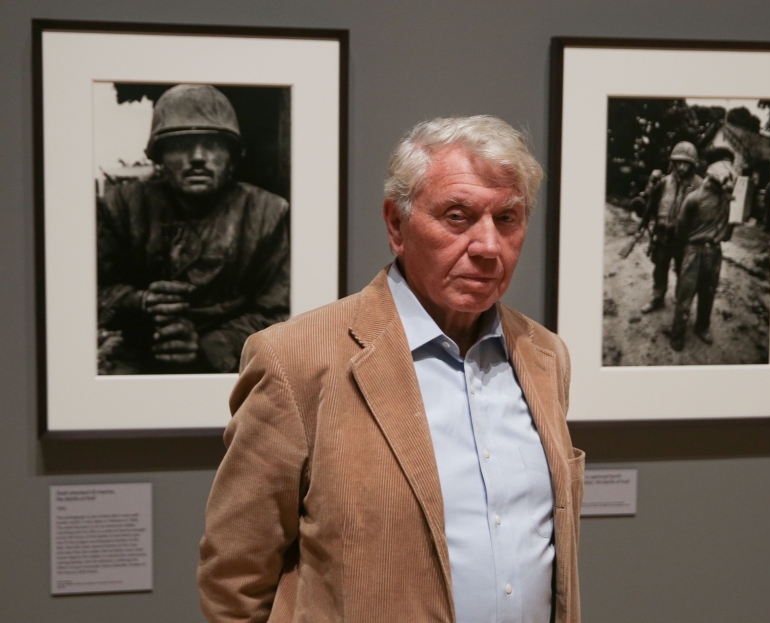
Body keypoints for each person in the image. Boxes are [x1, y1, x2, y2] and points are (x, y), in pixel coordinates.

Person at [198, 116, 585, 623]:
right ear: (396, 226)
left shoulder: (544, 356)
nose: (489, 246)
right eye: (457, 216)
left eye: (507, 219)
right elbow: (234, 577)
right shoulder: (296, 360)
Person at [97, 84, 290, 374]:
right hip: (140, 349)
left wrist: (207, 347)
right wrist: (140, 301)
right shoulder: (121, 207)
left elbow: (280, 312)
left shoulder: (268, 213)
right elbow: (90, 292)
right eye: (181, 144)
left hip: (237, 360)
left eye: (213, 144)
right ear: (158, 156)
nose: (198, 157)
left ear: (233, 157)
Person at [669, 160, 736, 352]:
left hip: (714, 252)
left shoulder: (727, 201)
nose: (724, 185)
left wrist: (733, 212)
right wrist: (683, 254)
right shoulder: (693, 199)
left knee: (708, 292)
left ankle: (702, 326)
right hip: (693, 250)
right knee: (685, 294)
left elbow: (728, 234)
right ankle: (677, 333)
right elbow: (680, 229)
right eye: (721, 181)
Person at [632, 141, 703, 313]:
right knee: (660, 268)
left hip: (685, 239)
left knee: (683, 272)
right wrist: (650, 186)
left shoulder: (700, 185)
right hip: (663, 235)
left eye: (685, 162)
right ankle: (658, 297)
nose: (681, 166)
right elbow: (649, 204)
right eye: (678, 162)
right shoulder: (663, 182)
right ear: (673, 162)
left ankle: (681, 302)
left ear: (692, 164)